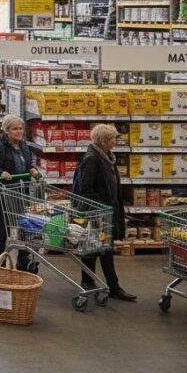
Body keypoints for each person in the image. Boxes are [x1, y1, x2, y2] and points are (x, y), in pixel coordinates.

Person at [76, 124, 137, 301]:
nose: (115, 142)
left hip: (107, 211)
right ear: (102, 142)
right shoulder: (92, 159)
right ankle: (90, 282)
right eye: (112, 139)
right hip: (97, 212)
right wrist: (102, 206)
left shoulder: (107, 156)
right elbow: (85, 189)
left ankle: (111, 285)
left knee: (104, 250)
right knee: (93, 249)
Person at [0, 115, 39, 270]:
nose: (19, 132)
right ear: (6, 131)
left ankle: (22, 264)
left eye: (21, 128)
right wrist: (0, 173)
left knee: (23, 230)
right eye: (15, 129)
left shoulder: (23, 145)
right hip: (1, 197)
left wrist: (31, 169)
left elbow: (28, 163)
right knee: (1, 233)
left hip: (19, 195)